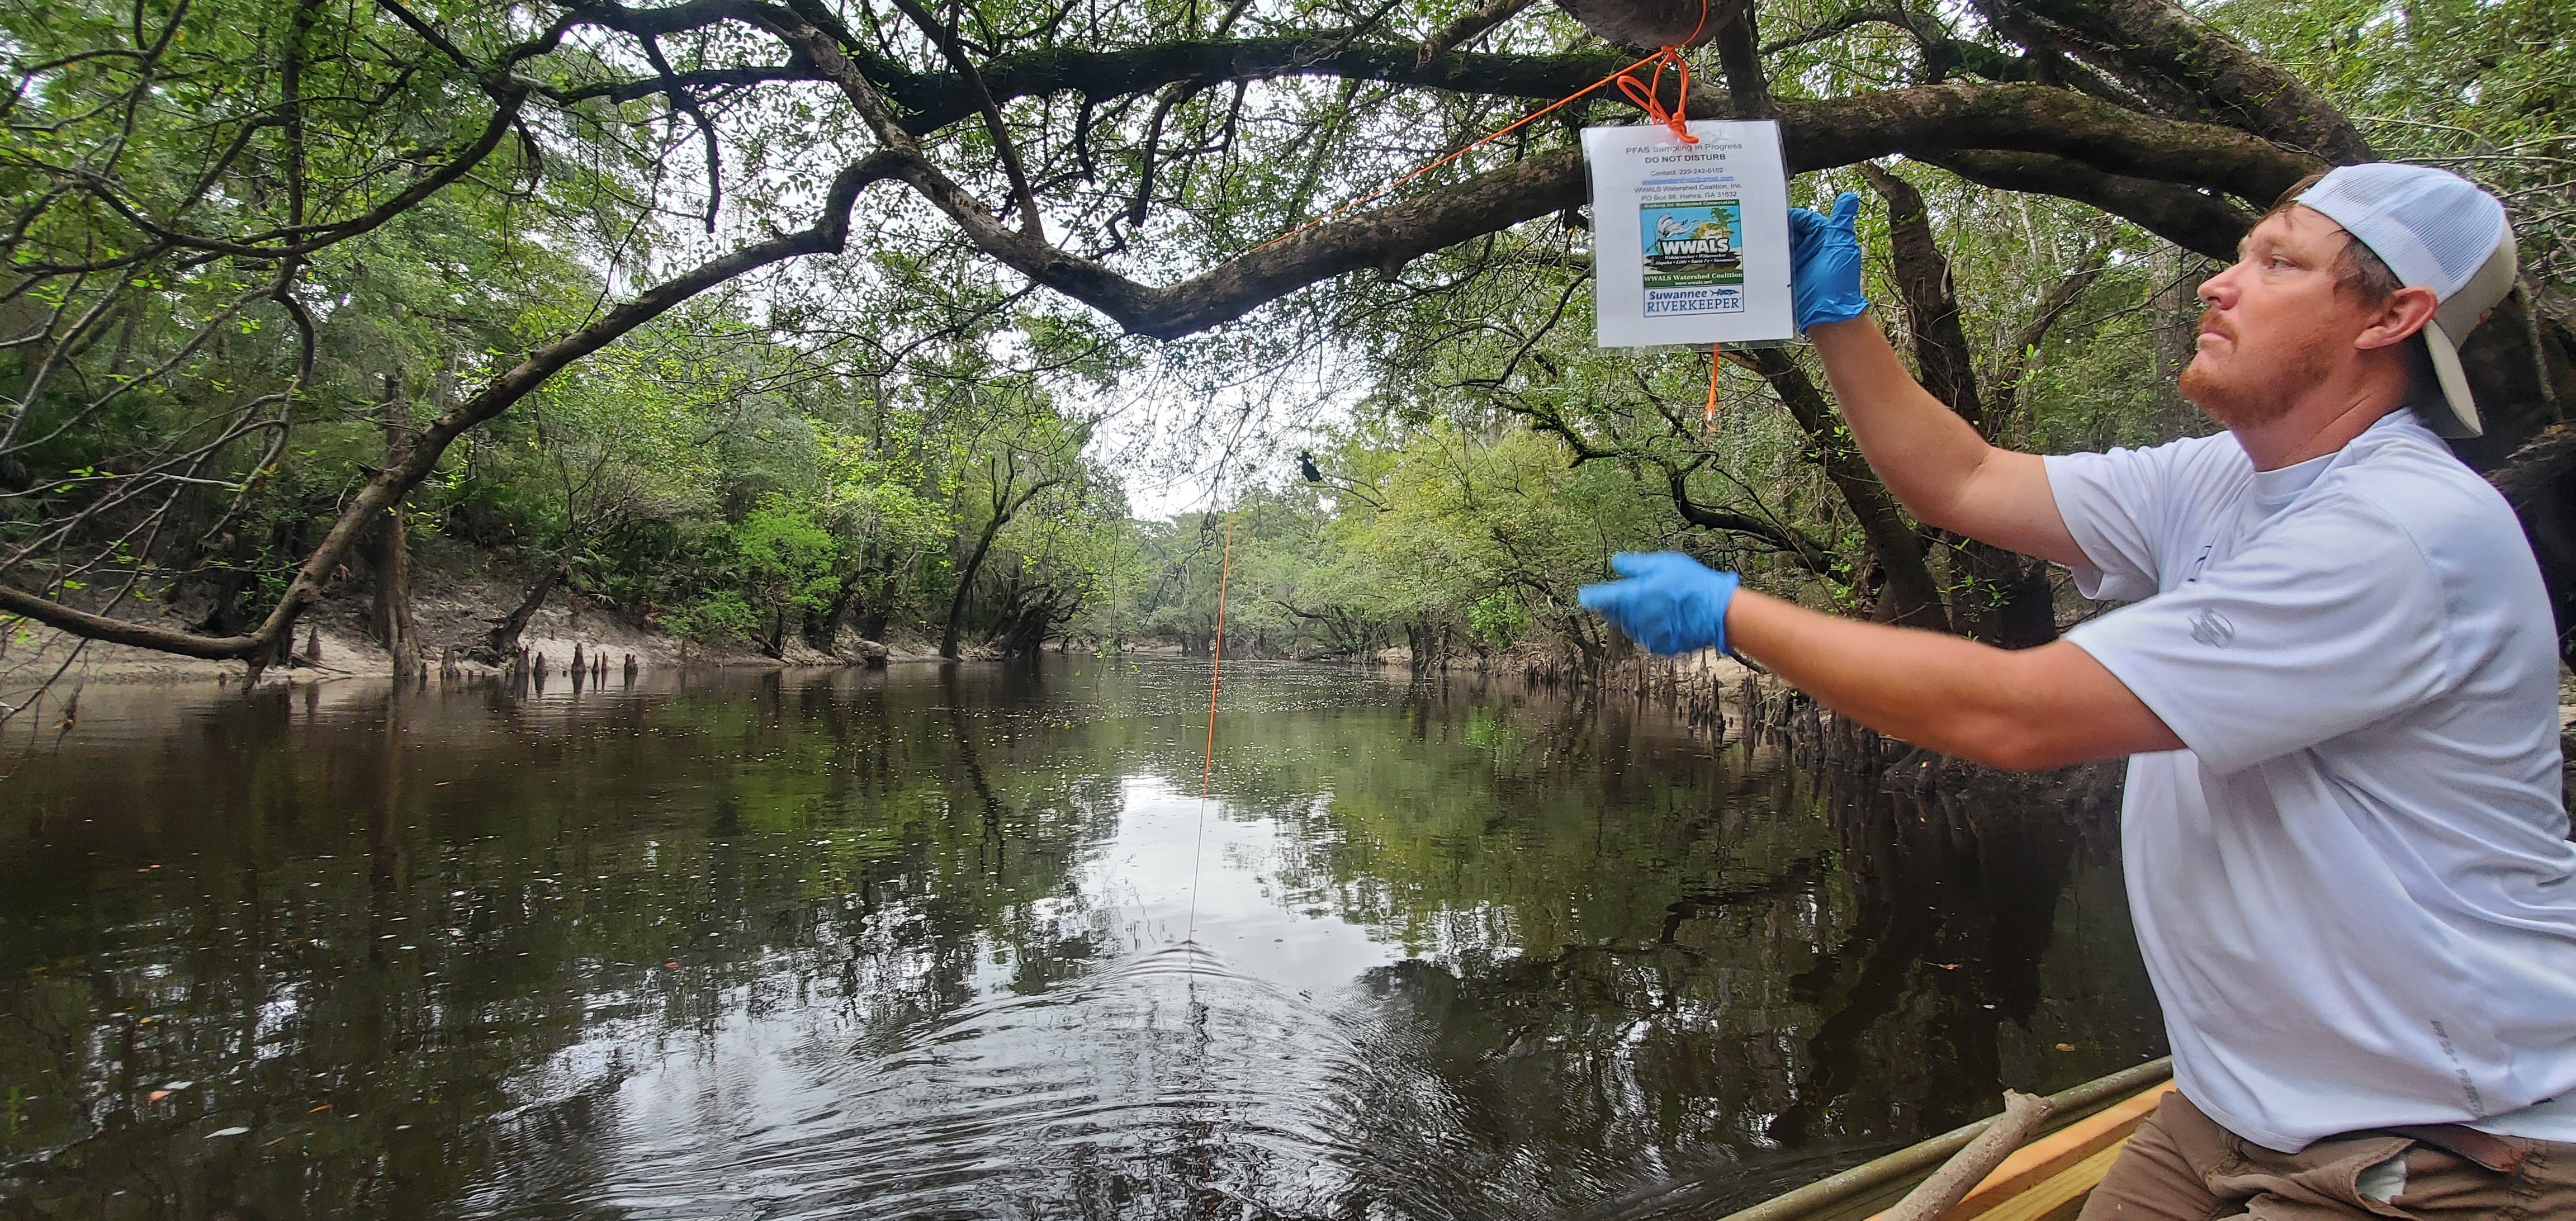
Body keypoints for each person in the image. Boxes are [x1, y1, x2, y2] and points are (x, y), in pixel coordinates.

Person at [1578, 163, 2576, 1218]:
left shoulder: (2399, 531)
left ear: (2395, 316)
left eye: (2279, 260)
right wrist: (1840, 318)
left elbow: (2017, 716)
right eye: (2240, 251)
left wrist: (1736, 616)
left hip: (2439, 1148)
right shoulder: (2222, 480)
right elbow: (1961, 480)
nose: (2217, 284)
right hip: (2231, 1110)